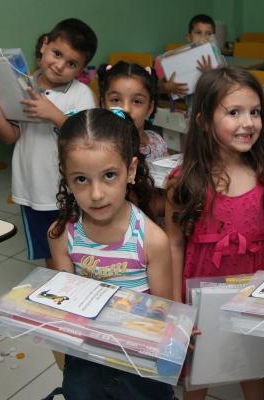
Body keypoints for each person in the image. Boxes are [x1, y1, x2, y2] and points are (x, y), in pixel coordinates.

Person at [165, 66, 264, 400]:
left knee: (251, 366)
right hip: (200, 290)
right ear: (204, 120)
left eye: (255, 112)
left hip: (254, 288)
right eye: (234, 112)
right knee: (198, 373)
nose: (248, 122)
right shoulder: (184, 181)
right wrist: (177, 307)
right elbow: (174, 244)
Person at [48, 109, 173, 400]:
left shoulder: (151, 240)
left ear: (130, 170)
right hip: (85, 359)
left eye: (108, 176)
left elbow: (162, 313)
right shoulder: (63, 234)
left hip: (137, 363)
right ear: (66, 178)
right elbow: (66, 304)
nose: (96, 194)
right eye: (81, 179)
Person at [0, 18, 97, 268]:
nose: (60, 66)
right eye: (57, 54)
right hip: (33, 189)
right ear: (44, 45)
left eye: (71, 63)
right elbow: (9, 135)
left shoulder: (81, 94)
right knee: (50, 250)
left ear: (81, 70)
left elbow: (87, 138)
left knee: (83, 248)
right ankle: (61, 296)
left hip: (73, 192)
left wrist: (53, 114)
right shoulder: (21, 85)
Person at [97, 61, 168, 163]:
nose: (126, 109)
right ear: (103, 104)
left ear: (150, 108)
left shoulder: (157, 142)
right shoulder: (96, 148)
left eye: (137, 101)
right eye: (116, 100)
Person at [157, 13, 216, 96]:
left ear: (214, 38)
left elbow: (220, 90)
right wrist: (166, 87)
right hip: (190, 107)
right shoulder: (180, 58)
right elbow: (160, 85)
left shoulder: (217, 60)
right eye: (198, 32)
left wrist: (209, 75)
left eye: (209, 33)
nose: (203, 38)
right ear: (189, 37)